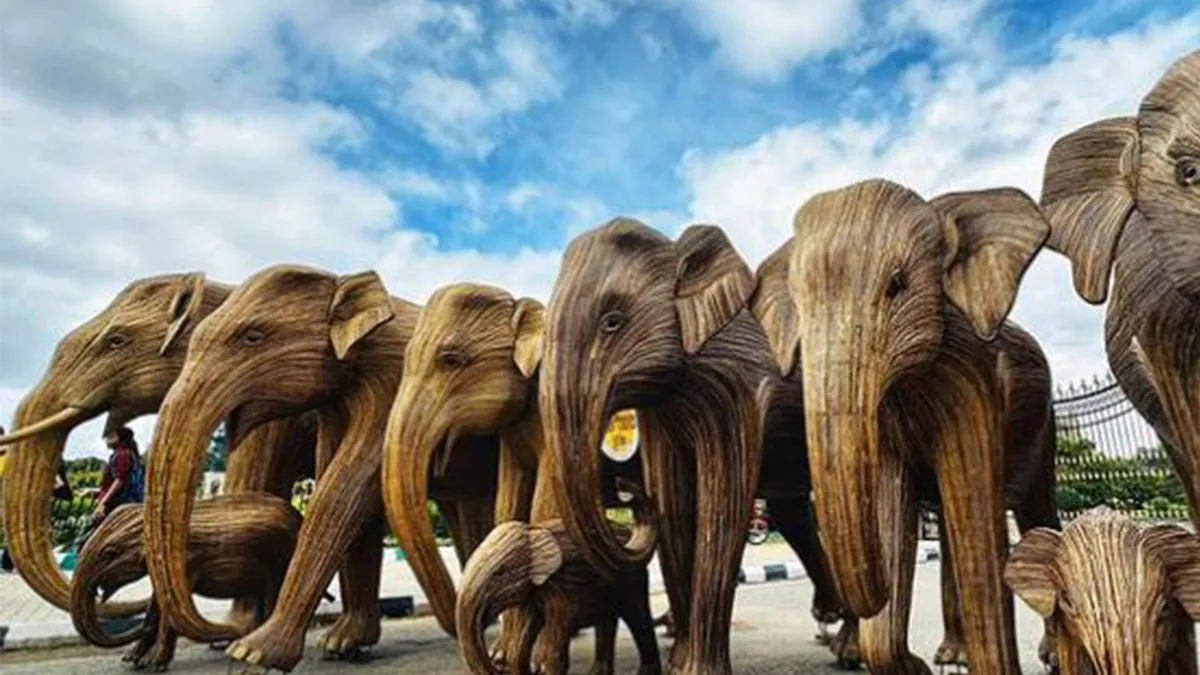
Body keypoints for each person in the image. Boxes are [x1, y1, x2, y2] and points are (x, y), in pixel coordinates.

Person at [94, 427, 143, 526]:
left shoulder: (122, 454)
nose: (106, 438)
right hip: (124, 503)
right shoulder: (125, 453)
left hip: (118, 505)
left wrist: (102, 502)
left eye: (110, 436)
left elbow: (120, 480)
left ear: (120, 438)